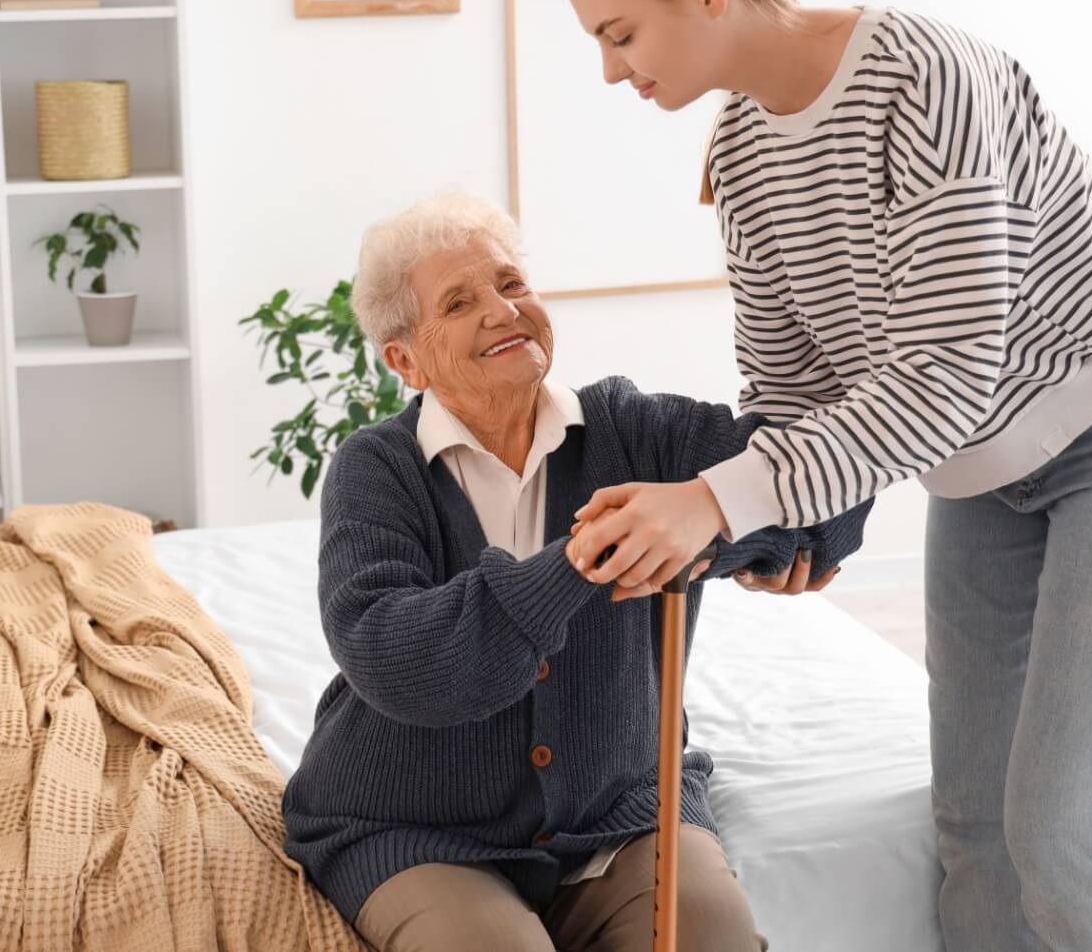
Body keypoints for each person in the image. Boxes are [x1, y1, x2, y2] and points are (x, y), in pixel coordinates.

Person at [556, 0, 1092, 949]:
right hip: (976, 474)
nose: (612, 72)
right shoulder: (741, 151)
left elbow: (946, 369)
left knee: (1058, 834)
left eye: (619, 34)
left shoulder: (926, 76)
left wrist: (714, 498)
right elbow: (789, 384)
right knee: (971, 828)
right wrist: (796, 530)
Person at [281, 191, 870, 951]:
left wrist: (712, 532)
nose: (502, 310)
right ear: (406, 359)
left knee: (712, 939)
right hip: (415, 822)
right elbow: (400, 662)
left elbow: (830, 491)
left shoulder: (636, 429)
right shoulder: (377, 469)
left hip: (621, 809)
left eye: (512, 284)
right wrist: (589, 556)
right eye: (460, 302)